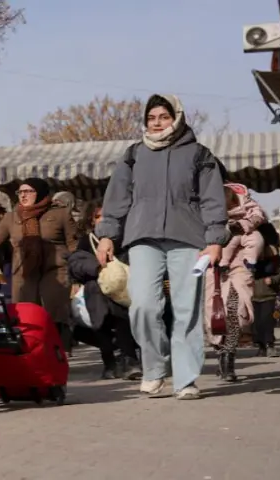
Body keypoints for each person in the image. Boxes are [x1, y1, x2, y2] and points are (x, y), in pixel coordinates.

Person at [95, 94, 228, 400]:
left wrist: (215, 240)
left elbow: (212, 200)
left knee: (186, 310)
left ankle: (185, 380)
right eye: (151, 118)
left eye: (163, 117)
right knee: (142, 306)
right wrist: (107, 235)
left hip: (188, 238)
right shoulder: (134, 154)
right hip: (142, 237)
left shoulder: (199, 154)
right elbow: (116, 199)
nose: (156, 123)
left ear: (176, 118)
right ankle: (154, 369)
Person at [0, 178, 78, 347]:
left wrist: (77, 275)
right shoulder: (11, 217)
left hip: (55, 269)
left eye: (28, 191)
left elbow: (73, 244)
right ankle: (32, 354)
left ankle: (56, 350)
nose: (23, 195)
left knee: (52, 310)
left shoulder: (60, 214)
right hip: (24, 271)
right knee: (25, 316)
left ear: (40, 193)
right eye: (20, 192)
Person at [67, 199, 142, 380]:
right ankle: (110, 363)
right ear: (91, 220)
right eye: (98, 216)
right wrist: (97, 267)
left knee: (121, 319)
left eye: (106, 216)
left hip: (123, 292)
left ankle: (130, 361)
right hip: (96, 293)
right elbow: (76, 265)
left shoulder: (125, 239)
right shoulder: (87, 240)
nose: (102, 220)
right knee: (100, 325)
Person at [204, 184, 263, 383]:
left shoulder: (247, 217)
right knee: (214, 317)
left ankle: (228, 359)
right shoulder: (203, 216)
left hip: (239, 271)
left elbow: (256, 233)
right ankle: (222, 355)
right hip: (213, 271)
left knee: (236, 313)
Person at [252, 224, 280, 358]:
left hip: (268, 294)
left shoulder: (274, 260)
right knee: (257, 324)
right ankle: (261, 346)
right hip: (253, 295)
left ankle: (270, 345)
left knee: (267, 321)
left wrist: (273, 280)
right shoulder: (250, 260)